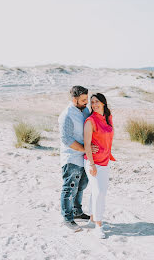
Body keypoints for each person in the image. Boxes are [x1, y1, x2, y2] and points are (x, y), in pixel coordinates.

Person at [58, 86, 98, 232]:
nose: (86, 102)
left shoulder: (84, 110)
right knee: (70, 188)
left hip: (84, 158)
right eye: (83, 100)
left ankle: (77, 211)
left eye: (86, 99)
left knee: (82, 185)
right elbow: (66, 139)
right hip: (71, 158)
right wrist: (85, 149)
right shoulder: (66, 115)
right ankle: (67, 218)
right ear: (74, 99)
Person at [83, 93, 115, 239]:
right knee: (99, 192)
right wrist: (92, 164)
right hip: (93, 162)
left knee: (98, 191)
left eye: (97, 102)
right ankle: (98, 226)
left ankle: (91, 219)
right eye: (92, 102)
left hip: (106, 160)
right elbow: (87, 144)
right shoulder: (90, 121)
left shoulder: (108, 118)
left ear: (103, 103)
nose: (94, 104)